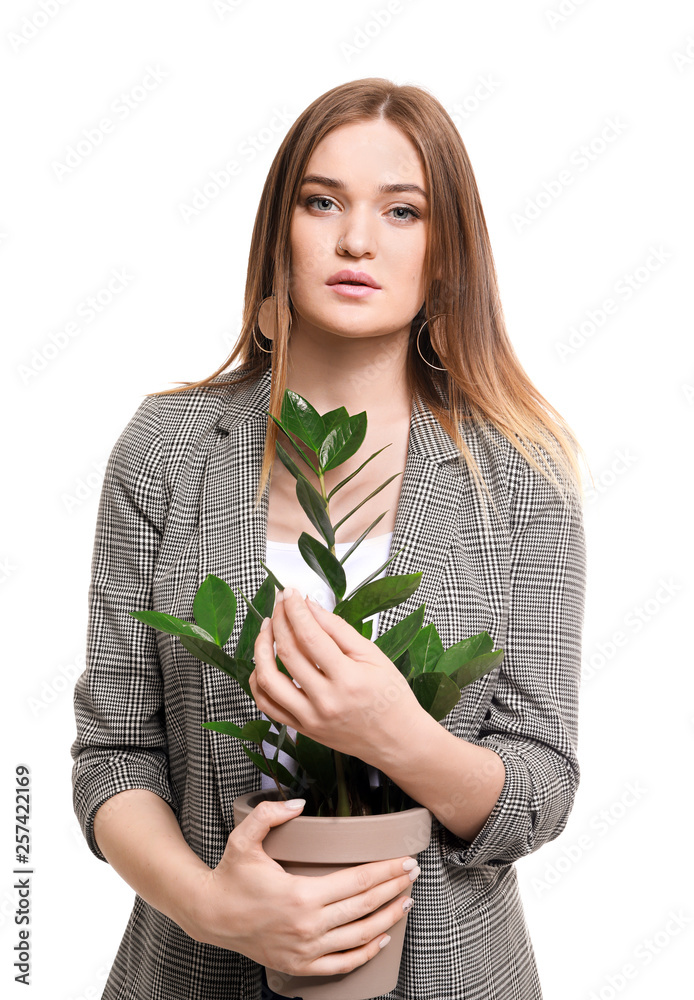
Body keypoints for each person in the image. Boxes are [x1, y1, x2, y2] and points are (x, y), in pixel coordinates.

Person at [71, 77, 588, 1000]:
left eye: (403, 210)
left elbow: (540, 788)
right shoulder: (167, 448)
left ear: (447, 252)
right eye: (323, 202)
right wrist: (210, 905)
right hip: (193, 975)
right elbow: (114, 755)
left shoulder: (522, 473)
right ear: (282, 230)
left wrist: (394, 735)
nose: (357, 240)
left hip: (447, 976)